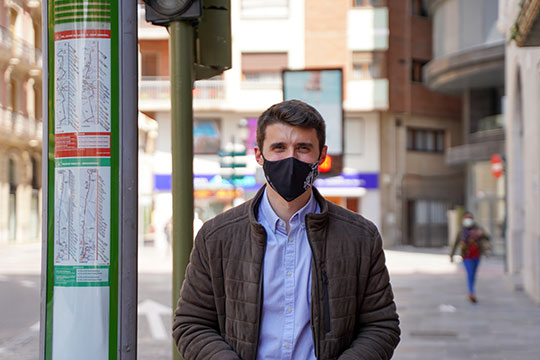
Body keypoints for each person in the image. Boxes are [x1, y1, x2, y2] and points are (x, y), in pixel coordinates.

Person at [173, 100, 400, 359]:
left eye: (303, 148)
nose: (291, 159)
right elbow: (191, 325)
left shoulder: (360, 237)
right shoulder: (217, 237)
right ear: (259, 155)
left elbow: (381, 326)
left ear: (322, 155)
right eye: (279, 147)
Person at [450, 212, 491, 303]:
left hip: (476, 255)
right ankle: (471, 293)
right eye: (466, 218)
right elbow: (455, 244)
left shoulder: (478, 229)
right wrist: (451, 255)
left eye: (469, 218)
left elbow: (487, 238)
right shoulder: (461, 231)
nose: (467, 220)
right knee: (470, 273)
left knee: (473, 274)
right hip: (466, 256)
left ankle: (471, 291)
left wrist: (481, 234)